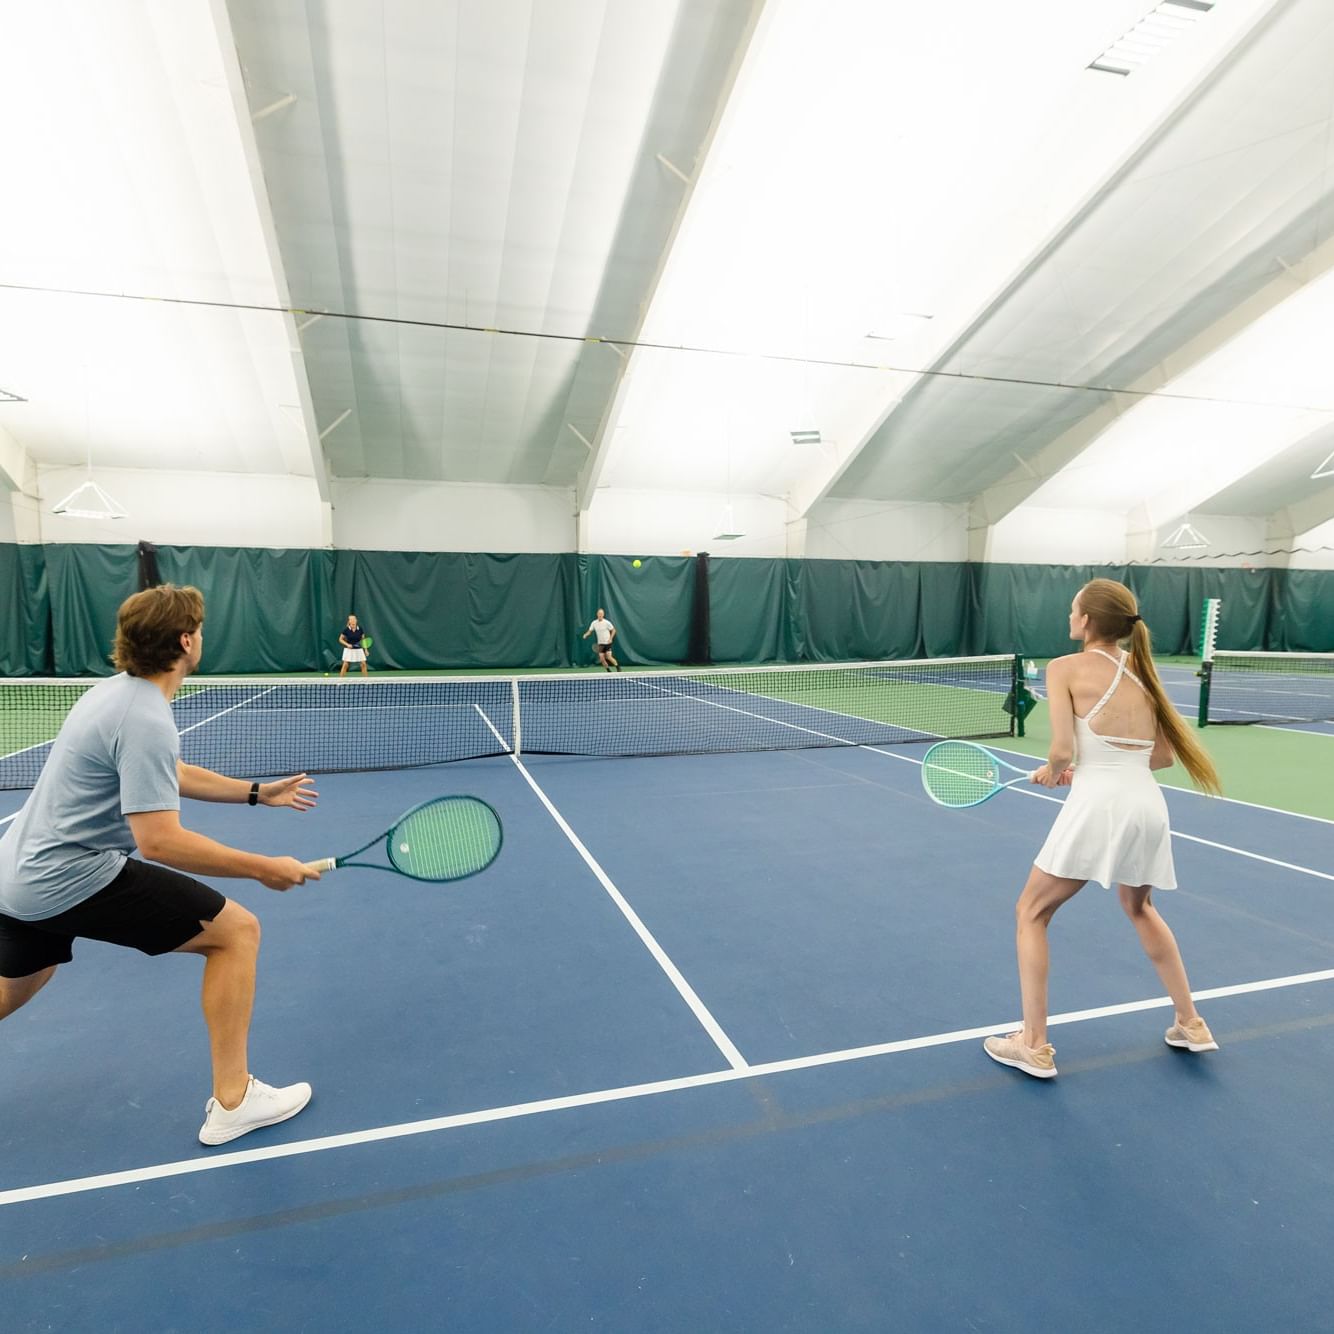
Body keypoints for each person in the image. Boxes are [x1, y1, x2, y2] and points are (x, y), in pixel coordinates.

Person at [0, 584, 321, 1145]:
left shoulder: (116, 694)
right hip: (69, 876)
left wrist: (254, 793)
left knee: (12, 989)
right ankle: (234, 1100)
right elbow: (160, 842)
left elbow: (166, 770)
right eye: (200, 627)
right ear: (186, 641)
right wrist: (263, 866)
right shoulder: (147, 716)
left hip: (18, 873)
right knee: (236, 933)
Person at [984, 578, 1223, 1079]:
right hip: (1147, 806)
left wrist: (1057, 769)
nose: (1070, 616)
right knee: (1140, 907)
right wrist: (1087, 769)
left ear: (1087, 620)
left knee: (1031, 913)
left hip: (1099, 806)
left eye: (1074, 609)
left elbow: (1062, 751)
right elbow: (1158, 757)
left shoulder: (1064, 668)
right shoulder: (1144, 672)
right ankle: (1191, 1022)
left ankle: (1034, 1045)